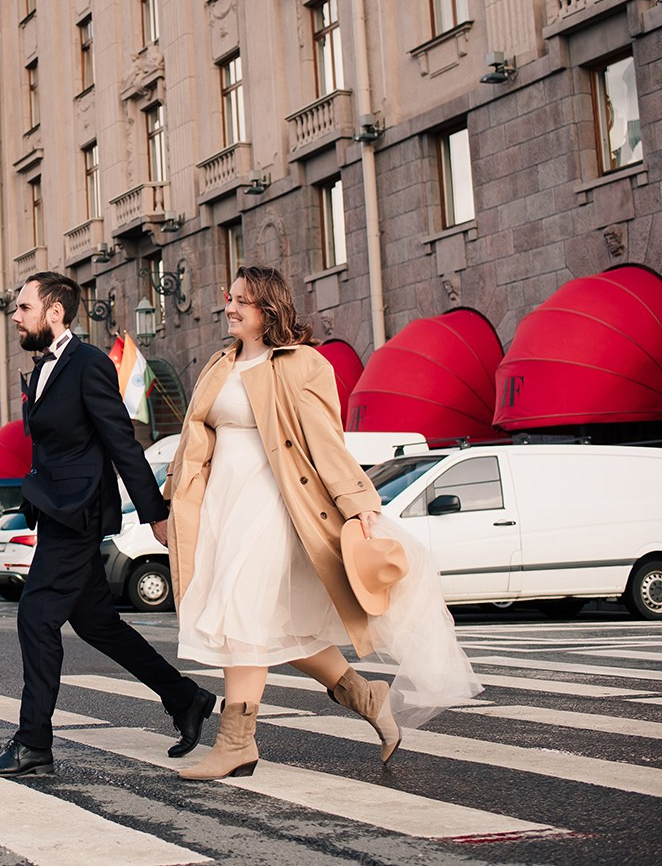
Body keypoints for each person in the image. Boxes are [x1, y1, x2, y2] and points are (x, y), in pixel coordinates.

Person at [165, 266, 479, 781]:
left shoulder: (301, 364)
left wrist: (359, 503)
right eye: (230, 298)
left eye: (243, 300)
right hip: (222, 506)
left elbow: (326, 441)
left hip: (275, 506)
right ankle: (367, 696)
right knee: (282, 629)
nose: (231, 307)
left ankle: (236, 743)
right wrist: (169, 504)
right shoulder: (218, 366)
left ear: (269, 308)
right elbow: (194, 444)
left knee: (241, 617)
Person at [0, 272, 216, 778]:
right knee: (96, 623)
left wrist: (155, 513)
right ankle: (185, 698)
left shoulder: (88, 365)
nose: (15, 316)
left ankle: (33, 743)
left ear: (55, 312)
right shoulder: (44, 368)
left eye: (23, 307)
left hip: (78, 513)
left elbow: (120, 442)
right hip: (57, 509)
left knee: (37, 618)